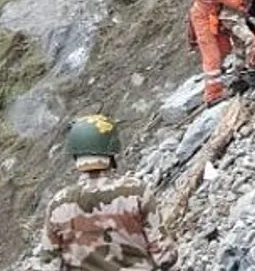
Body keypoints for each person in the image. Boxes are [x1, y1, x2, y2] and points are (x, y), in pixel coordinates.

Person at [34, 114, 177, 270]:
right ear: (111, 154)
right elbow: (165, 256)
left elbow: (48, 263)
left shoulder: (59, 203)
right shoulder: (136, 192)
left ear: (76, 156)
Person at [188, 0, 255, 105]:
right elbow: (234, 2)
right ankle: (213, 93)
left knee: (224, 47)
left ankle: (219, 73)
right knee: (212, 55)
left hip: (214, 14)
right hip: (203, 18)